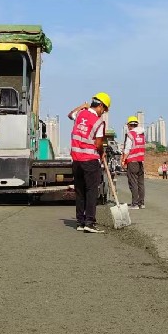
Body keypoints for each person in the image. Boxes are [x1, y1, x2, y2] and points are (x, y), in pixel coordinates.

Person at [68, 92, 110, 233]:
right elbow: (98, 144)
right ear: (100, 105)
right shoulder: (98, 122)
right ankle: (89, 222)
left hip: (76, 161)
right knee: (91, 191)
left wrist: (82, 106)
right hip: (90, 161)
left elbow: (70, 114)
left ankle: (80, 222)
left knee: (80, 191)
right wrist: (102, 152)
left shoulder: (80, 114)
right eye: (104, 109)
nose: (103, 112)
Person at [122, 115, 146, 209]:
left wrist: (124, 160)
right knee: (141, 183)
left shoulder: (130, 134)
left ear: (129, 125)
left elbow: (127, 149)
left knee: (133, 183)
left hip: (132, 161)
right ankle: (141, 203)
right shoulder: (142, 135)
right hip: (140, 161)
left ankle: (135, 204)